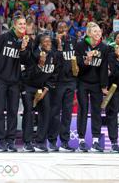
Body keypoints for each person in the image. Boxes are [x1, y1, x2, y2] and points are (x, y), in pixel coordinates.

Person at [0, 14, 30, 152]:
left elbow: (26, 61)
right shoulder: (4, 37)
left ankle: (10, 140)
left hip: (15, 82)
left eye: (24, 24)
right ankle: (1, 141)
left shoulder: (26, 41)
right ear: (14, 25)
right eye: (20, 24)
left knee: (13, 111)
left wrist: (24, 49)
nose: (22, 26)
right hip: (0, 80)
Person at [75, 22, 108, 152]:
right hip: (82, 81)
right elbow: (77, 67)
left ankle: (95, 141)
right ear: (89, 33)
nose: (98, 33)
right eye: (95, 31)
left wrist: (104, 85)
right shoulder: (80, 45)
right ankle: (81, 140)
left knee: (96, 111)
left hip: (96, 84)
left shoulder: (104, 48)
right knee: (82, 110)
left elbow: (104, 68)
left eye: (99, 31)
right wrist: (87, 60)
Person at [21, 34, 53, 152]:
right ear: (40, 44)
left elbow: (54, 74)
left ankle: (40, 142)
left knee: (46, 111)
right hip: (29, 86)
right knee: (29, 112)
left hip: (43, 88)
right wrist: (40, 65)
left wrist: (45, 90)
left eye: (49, 41)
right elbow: (29, 75)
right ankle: (27, 142)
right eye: (45, 41)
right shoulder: (33, 54)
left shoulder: (53, 55)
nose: (48, 43)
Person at [48, 21, 77, 152]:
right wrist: (58, 44)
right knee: (54, 113)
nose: (62, 30)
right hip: (57, 82)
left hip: (70, 81)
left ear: (68, 29)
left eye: (64, 27)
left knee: (67, 113)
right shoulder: (51, 42)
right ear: (56, 29)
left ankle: (65, 142)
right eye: (59, 28)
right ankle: (52, 141)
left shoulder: (74, 41)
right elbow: (53, 59)